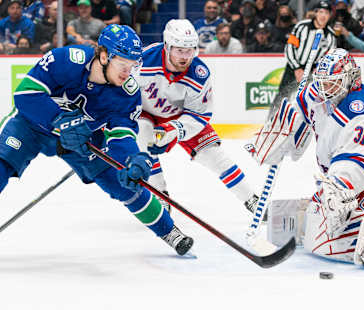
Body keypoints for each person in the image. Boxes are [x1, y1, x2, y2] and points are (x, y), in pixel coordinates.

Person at [0, 24, 193, 256]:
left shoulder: (127, 92)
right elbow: (26, 94)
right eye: (123, 65)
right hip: (32, 125)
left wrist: (132, 160)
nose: (127, 73)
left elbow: (122, 134)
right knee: (2, 162)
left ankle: (168, 231)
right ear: (103, 56)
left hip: (83, 139)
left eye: (133, 66)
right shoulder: (67, 60)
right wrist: (59, 119)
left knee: (125, 184)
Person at [257, 48, 364, 267]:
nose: (325, 88)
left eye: (332, 82)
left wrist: (339, 189)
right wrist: (281, 135)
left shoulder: (358, 107)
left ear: (351, 78)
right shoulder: (315, 92)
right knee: (315, 215)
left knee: (323, 238)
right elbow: (298, 125)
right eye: (323, 82)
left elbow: (358, 160)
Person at [136, 19, 260, 216]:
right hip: (147, 113)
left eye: (190, 50)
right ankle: (160, 194)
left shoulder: (199, 73)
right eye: (180, 50)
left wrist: (175, 129)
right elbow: (123, 90)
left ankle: (252, 199)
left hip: (181, 118)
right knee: (143, 135)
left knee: (214, 156)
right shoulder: (143, 60)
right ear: (167, 46)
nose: (186, 57)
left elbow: (199, 114)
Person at [272, 0, 336, 110]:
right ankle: (273, 120)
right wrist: (297, 68)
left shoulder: (330, 36)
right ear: (316, 13)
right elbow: (289, 47)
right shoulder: (301, 26)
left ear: (329, 16)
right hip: (293, 67)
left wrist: (317, 71)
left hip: (313, 72)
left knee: (309, 100)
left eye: (326, 13)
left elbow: (328, 58)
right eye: (321, 12)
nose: (323, 16)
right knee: (283, 96)